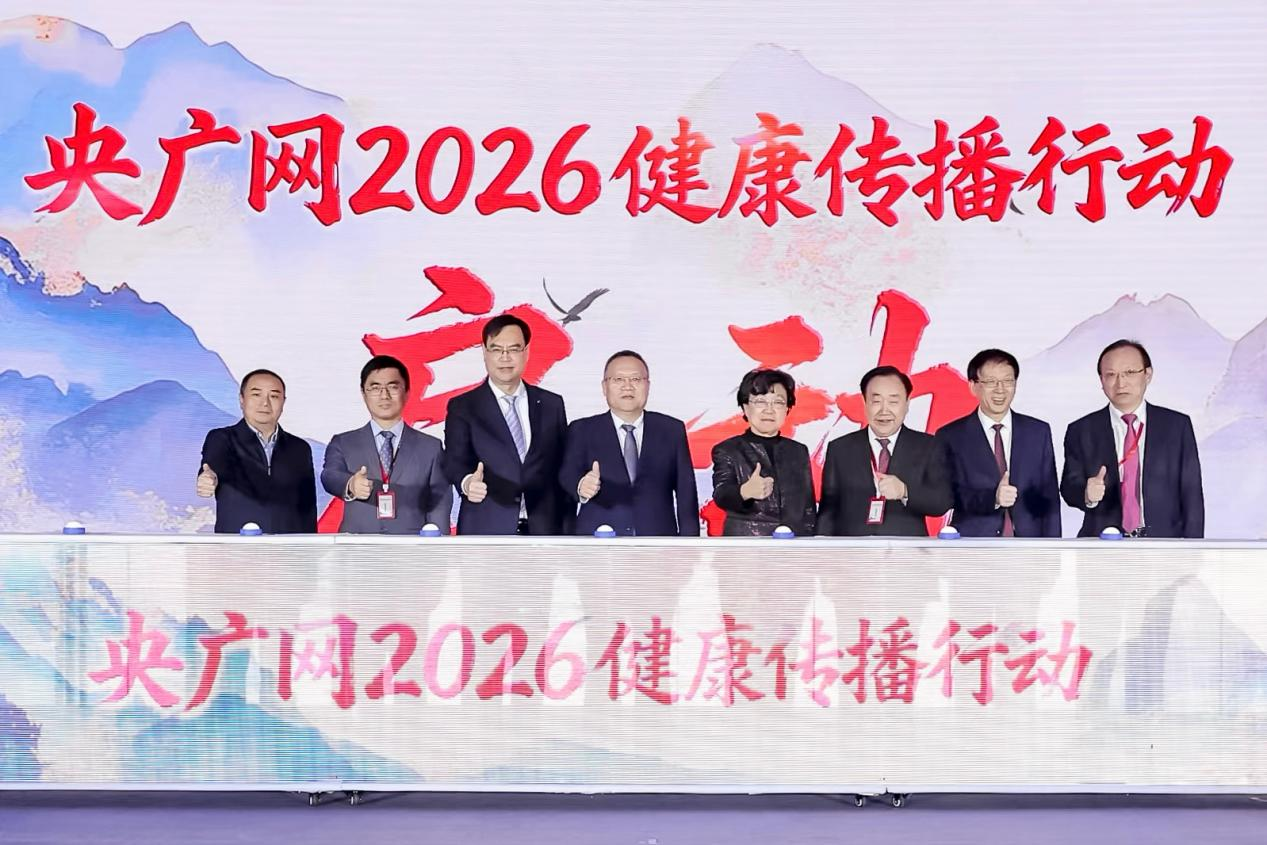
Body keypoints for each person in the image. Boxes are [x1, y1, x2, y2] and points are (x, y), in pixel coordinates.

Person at [1061, 339, 1203, 538]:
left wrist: (1193, 548)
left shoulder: (1176, 426)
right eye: (1111, 375)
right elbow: (1069, 486)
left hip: (1164, 543)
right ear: (1101, 380)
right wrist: (1086, 493)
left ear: (1148, 374)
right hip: (1102, 543)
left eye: (1129, 372)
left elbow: (1191, 494)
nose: (1121, 383)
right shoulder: (1082, 429)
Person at [443, 315, 568, 535]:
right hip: (486, 529)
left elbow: (562, 464)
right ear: (484, 352)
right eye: (496, 349)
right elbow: (454, 460)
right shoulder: (463, 406)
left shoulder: (552, 404)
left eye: (514, 349)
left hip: (545, 529)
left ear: (526, 352)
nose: (505, 357)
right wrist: (467, 482)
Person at [560, 350, 698, 536]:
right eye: (618, 379)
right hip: (598, 539)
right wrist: (581, 486)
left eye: (635, 379)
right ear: (604, 387)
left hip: (659, 541)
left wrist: (690, 544)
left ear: (647, 385)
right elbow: (566, 475)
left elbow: (686, 494)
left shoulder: (671, 430)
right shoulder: (582, 429)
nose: (627, 386)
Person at [935, 349, 1060, 537]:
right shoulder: (951, 436)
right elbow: (946, 496)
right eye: (991, 382)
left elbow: (1049, 498)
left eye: (1008, 381)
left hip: (1029, 544)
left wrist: (1053, 547)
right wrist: (992, 498)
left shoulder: (1038, 432)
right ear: (973, 386)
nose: (1000, 389)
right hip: (974, 543)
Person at [321, 355, 451, 534]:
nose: (384, 395)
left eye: (393, 387)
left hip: (411, 544)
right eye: (375, 388)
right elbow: (329, 476)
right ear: (363, 393)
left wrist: (437, 542)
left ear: (407, 392)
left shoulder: (431, 447)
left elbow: (440, 501)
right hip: (357, 543)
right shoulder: (343, 443)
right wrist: (350, 484)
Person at [817, 366, 952, 536]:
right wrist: (821, 545)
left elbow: (941, 502)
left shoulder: (928, 446)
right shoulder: (840, 448)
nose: (884, 410)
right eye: (876, 401)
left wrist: (905, 492)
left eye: (893, 402)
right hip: (853, 548)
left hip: (906, 547)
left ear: (907, 404)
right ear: (865, 403)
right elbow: (828, 510)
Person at [197, 369, 316, 534]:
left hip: (288, 545)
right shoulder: (222, 438)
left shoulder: (300, 448)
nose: (265, 403)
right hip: (237, 543)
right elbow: (212, 466)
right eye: (256, 394)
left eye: (274, 396)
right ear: (241, 399)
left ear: (283, 402)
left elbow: (308, 508)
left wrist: (311, 544)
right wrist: (208, 479)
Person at [710, 368, 816, 536]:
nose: (769, 410)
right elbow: (721, 494)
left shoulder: (798, 451)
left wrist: (812, 540)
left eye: (778, 402)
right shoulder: (727, 450)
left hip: (794, 543)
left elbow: (808, 508)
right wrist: (745, 491)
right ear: (745, 407)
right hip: (747, 543)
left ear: (787, 409)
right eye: (760, 402)